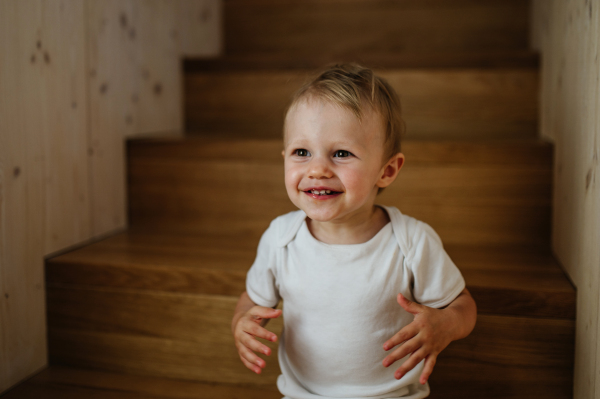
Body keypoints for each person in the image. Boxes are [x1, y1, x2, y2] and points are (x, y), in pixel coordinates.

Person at [231, 63, 477, 399]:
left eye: (341, 153)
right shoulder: (280, 239)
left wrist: (446, 325)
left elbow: (461, 305)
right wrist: (241, 323)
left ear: (387, 170)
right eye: (301, 152)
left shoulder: (411, 242)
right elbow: (251, 300)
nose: (317, 169)